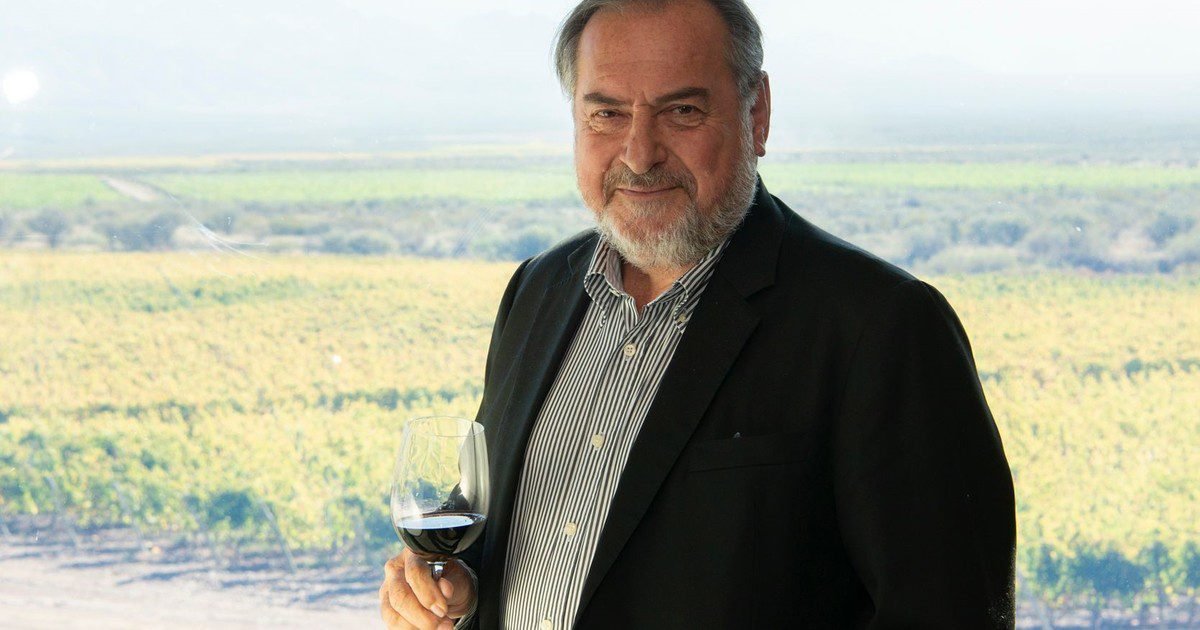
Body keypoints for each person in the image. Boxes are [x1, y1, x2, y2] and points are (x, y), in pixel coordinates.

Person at [380, 0, 1016, 627]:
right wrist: (455, 592)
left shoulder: (882, 327)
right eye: (606, 114)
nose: (639, 154)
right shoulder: (536, 290)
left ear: (756, 116)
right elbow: (511, 542)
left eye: (681, 111)